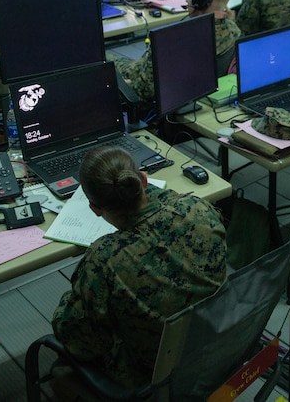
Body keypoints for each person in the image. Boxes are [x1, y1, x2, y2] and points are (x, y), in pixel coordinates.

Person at [50, 147, 227, 389]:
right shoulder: (198, 209)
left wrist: (66, 306)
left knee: (62, 368)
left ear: (95, 208)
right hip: (214, 344)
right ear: (144, 180)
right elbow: (169, 202)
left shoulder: (104, 259)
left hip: (149, 374)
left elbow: (83, 342)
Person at [114, 0, 241, 101]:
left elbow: (143, 92)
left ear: (201, 2)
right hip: (196, 97)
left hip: (158, 104)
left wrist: (125, 85)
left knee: (106, 59)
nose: (186, 0)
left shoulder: (173, 41)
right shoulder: (233, 30)